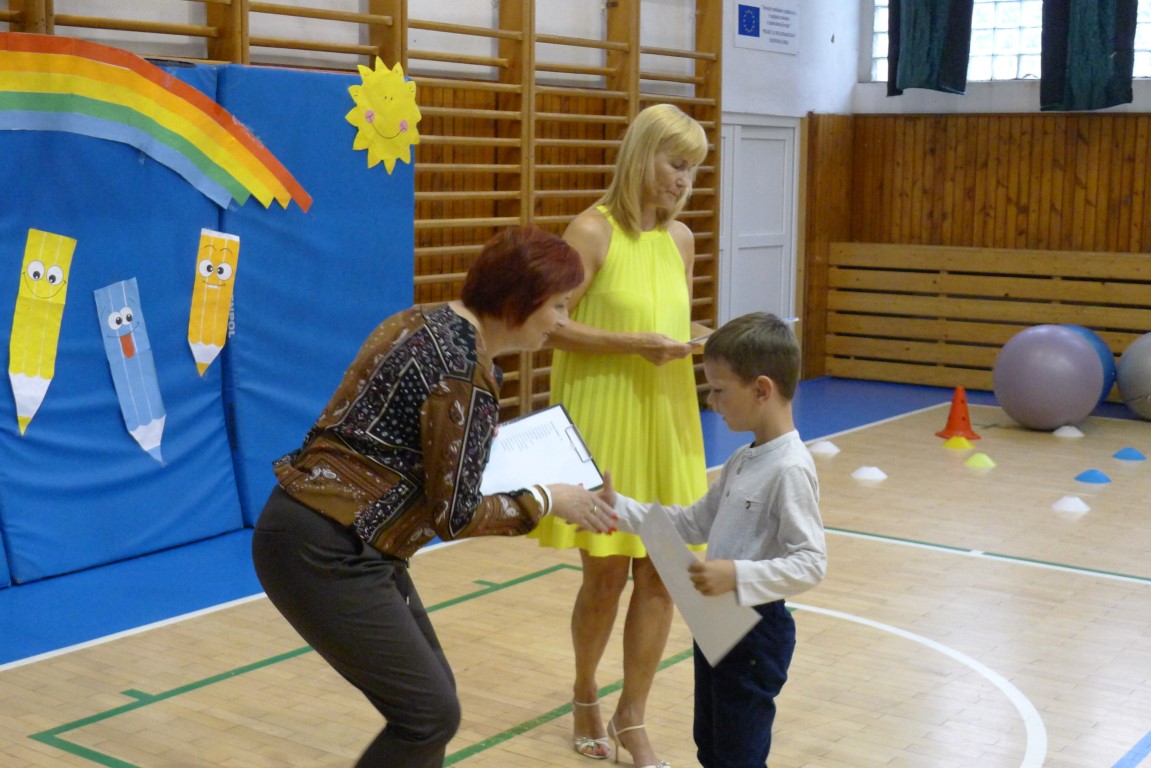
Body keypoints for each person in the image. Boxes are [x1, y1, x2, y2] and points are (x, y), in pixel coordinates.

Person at [251, 225, 618, 768]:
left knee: (433, 707)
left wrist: (480, 452)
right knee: (428, 716)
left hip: (324, 533)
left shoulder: (417, 320)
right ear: (519, 301)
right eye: (558, 306)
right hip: (328, 548)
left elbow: (409, 449)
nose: (563, 321)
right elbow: (457, 515)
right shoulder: (463, 374)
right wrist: (547, 500)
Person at [528, 103, 711, 768]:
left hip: (667, 421)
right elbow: (547, 324)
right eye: (675, 163)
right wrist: (633, 343)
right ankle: (585, 693)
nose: (684, 179)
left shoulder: (681, 239)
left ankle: (633, 716)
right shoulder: (590, 231)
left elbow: (674, 324)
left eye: (693, 168)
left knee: (662, 576)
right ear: (641, 156)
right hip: (605, 418)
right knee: (604, 576)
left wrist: (711, 340)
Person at [597, 312, 827, 768]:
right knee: (712, 746)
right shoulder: (743, 459)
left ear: (761, 390)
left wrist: (737, 575)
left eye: (720, 390)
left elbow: (810, 562)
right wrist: (615, 507)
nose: (711, 399)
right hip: (718, 626)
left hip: (756, 634)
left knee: (739, 757)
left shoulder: (790, 469)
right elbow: (690, 523)